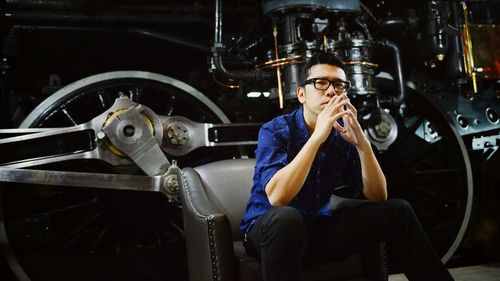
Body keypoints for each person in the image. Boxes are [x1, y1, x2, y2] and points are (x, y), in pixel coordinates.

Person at [240, 52, 455, 281]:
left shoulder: (342, 137)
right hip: (267, 232)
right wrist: (316, 139)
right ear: (301, 94)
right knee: (286, 218)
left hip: (316, 231)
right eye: (321, 83)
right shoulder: (276, 130)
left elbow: (378, 195)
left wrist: (362, 143)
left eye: (339, 85)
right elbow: (277, 197)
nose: (331, 91)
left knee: (398, 210)